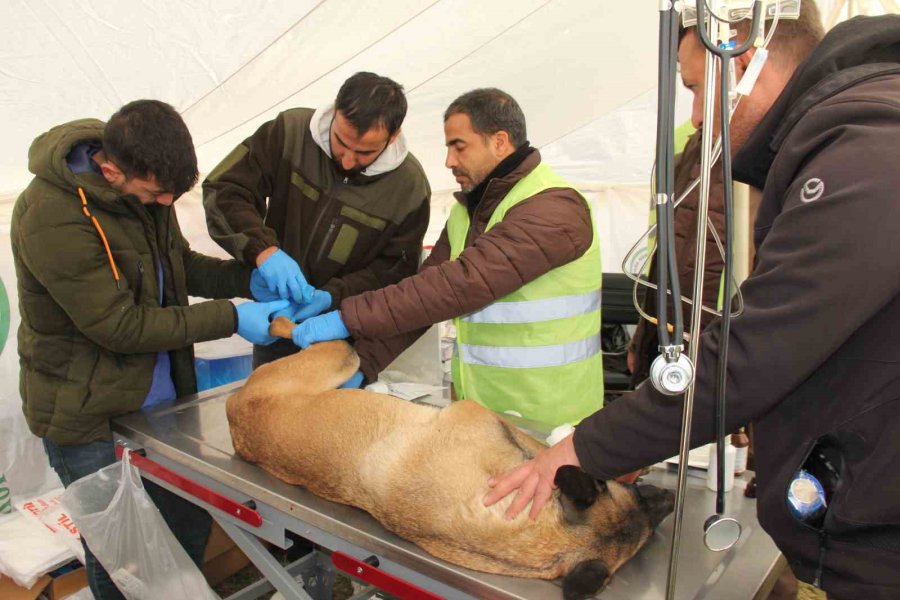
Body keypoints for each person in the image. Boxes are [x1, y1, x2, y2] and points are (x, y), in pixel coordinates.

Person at [486, 8, 900, 600]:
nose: (699, 117)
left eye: (698, 89)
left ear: (742, 56)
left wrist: (586, 448)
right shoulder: (852, 137)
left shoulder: (869, 150)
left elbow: (758, 351)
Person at [11, 99, 288, 599]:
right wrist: (232, 317)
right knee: (122, 552)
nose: (164, 204)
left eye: (172, 195)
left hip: (159, 404)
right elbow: (117, 325)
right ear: (111, 171)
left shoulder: (149, 188)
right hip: (87, 413)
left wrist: (247, 279)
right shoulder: (50, 215)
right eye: (157, 194)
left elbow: (179, 264)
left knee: (186, 520)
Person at [290, 88, 604, 431]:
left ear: (499, 142)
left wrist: (348, 318)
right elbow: (421, 299)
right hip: (481, 414)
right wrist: (362, 365)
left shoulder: (554, 208)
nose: (449, 161)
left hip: (552, 424)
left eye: (459, 146)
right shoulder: (466, 213)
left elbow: (460, 284)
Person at [203, 71, 431, 367]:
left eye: (365, 153)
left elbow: (394, 271)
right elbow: (225, 190)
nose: (347, 160)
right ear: (334, 111)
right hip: (279, 324)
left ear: (394, 135)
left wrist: (333, 297)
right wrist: (263, 250)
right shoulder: (289, 133)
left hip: (348, 336)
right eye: (341, 142)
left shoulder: (410, 189)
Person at [627, 127, 725, 386]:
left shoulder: (748, 140)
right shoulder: (680, 136)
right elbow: (662, 254)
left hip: (717, 337)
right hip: (670, 331)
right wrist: (644, 337)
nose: (696, 117)